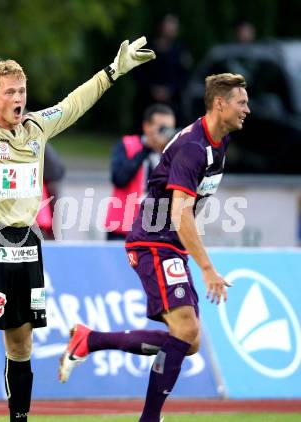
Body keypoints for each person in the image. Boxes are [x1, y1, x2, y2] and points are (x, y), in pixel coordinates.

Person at [0, 37, 155, 422]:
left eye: (22, 90)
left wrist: (114, 69)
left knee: (22, 345)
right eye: (11, 91)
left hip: (27, 244)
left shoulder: (37, 127)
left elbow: (75, 102)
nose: (19, 97)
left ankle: (19, 419)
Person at [59, 73, 250, 422]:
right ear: (220, 104)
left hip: (168, 244)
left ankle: (90, 339)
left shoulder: (217, 141)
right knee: (188, 332)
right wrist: (207, 268)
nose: (247, 110)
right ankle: (149, 418)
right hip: (153, 242)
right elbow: (179, 212)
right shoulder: (194, 147)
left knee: (188, 341)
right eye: (241, 102)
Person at [104, 104, 176, 240]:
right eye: (162, 128)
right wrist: (145, 148)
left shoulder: (173, 154)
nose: (165, 133)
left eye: (169, 129)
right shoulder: (127, 144)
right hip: (122, 227)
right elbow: (119, 179)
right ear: (146, 127)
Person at [132, 14, 192, 129]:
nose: (171, 29)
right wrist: (152, 89)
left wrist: (170, 90)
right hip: (146, 99)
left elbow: (184, 75)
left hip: (172, 101)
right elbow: (138, 72)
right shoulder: (147, 47)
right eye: (168, 25)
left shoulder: (180, 50)